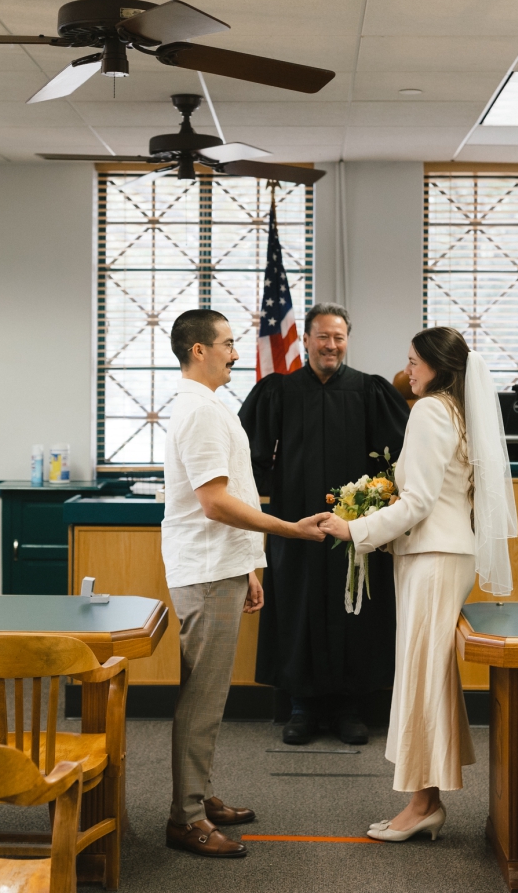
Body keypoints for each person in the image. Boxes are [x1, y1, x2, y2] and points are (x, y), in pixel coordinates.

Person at [319, 326, 517, 841]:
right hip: (445, 553)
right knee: (429, 676)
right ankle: (424, 798)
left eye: (414, 362)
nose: (408, 370)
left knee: (422, 678)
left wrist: (354, 528)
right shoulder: (458, 412)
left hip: (434, 556)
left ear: (438, 367)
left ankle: (422, 804)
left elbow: (420, 501)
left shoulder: (430, 411)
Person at [162, 309, 331, 857]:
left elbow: (229, 486)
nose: (236, 353)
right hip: (208, 570)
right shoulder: (201, 412)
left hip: (224, 567)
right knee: (202, 700)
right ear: (198, 351)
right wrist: (286, 531)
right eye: (228, 344)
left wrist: (251, 565)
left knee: (208, 697)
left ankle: (199, 795)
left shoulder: (209, 406)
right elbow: (214, 503)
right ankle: (185, 817)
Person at [239, 303, 410, 745]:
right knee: (297, 608)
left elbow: (399, 459)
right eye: (322, 336)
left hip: (354, 529)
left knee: (356, 611)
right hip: (293, 524)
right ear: (305, 340)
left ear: (347, 340)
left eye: (339, 337)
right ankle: (302, 706)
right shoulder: (278, 391)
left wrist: (376, 507)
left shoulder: (370, 391)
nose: (331, 345)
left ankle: (350, 708)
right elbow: (248, 457)